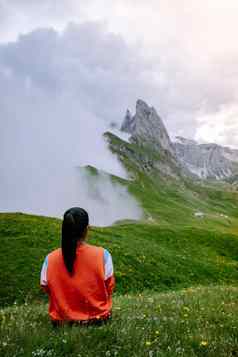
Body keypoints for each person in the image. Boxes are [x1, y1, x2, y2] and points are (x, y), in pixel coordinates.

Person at [40, 207, 115, 326]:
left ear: (65, 229)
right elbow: (109, 287)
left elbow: (45, 287)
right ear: (87, 229)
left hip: (61, 323)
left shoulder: (49, 259)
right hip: (98, 320)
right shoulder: (103, 255)